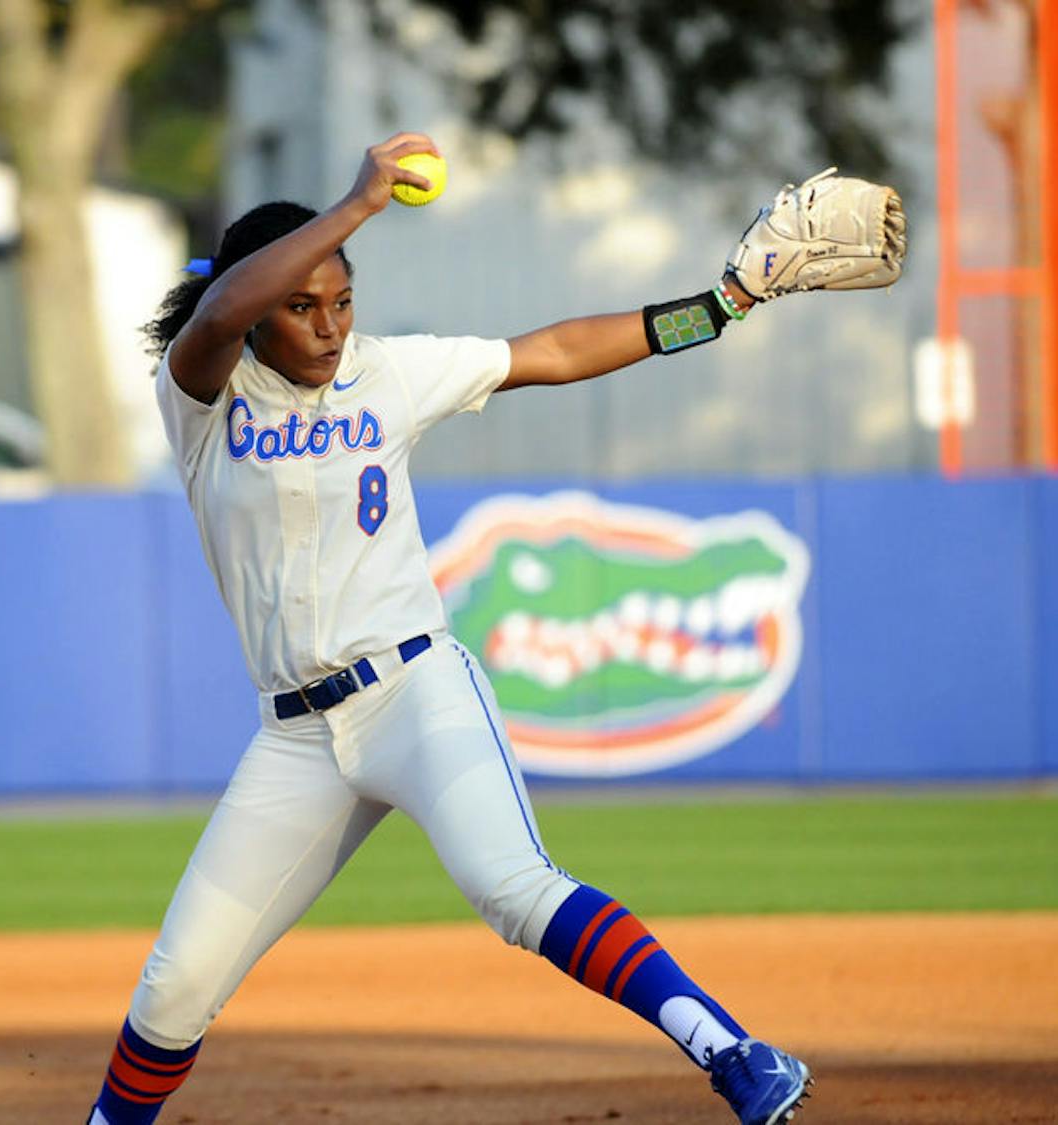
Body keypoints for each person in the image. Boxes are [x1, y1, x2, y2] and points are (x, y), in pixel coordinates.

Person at [85, 134, 903, 1125]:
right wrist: (354, 207)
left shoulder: (388, 376)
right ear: (260, 310)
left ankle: (735, 1054)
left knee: (512, 886)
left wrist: (721, 305)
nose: (329, 325)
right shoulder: (203, 398)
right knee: (175, 986)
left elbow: (554, 353)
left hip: (414, 690)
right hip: (296, 737)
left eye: (343, 300)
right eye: (301, 305)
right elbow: (216, 310)